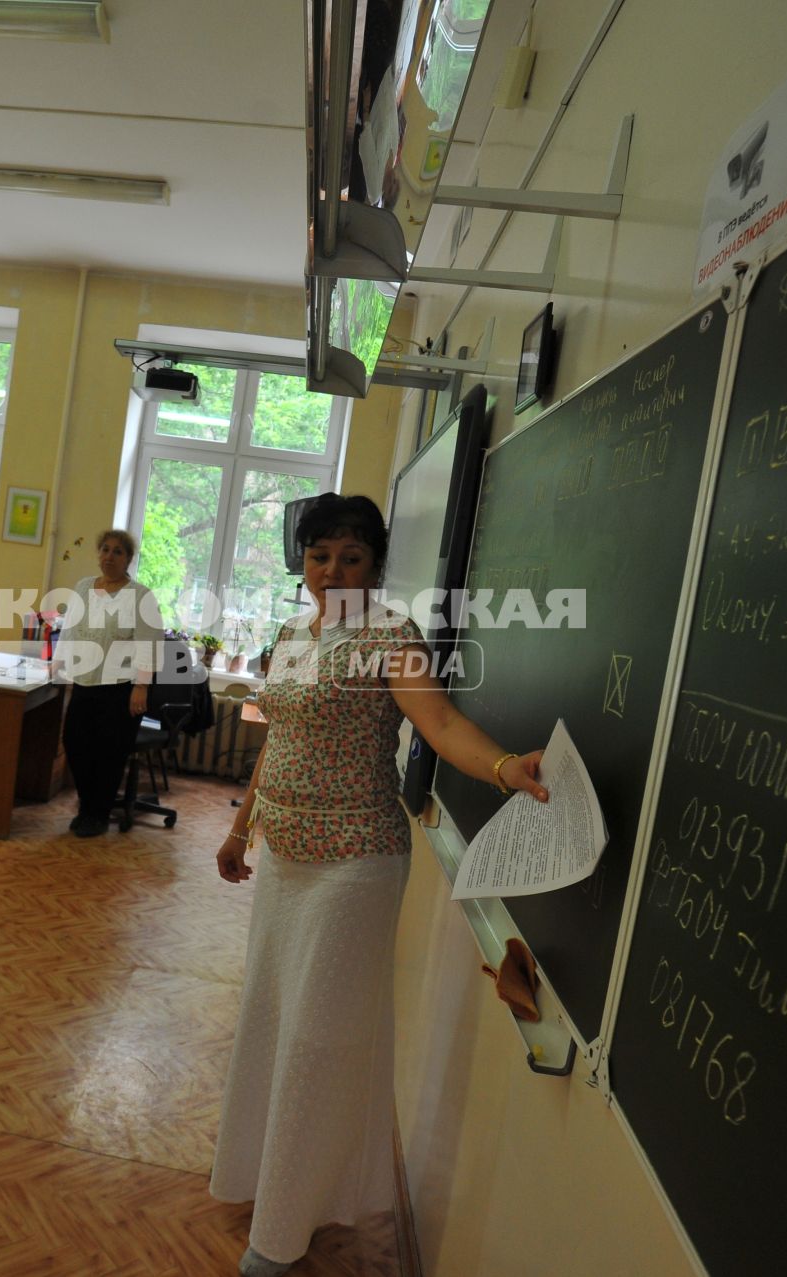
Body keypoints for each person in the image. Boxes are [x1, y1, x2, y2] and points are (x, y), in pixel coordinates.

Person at [209, 494, 550, 1277]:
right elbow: (281, 736)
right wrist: (240, 826)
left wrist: (502, 767)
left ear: (375, 564)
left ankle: (283, 1232)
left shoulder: (390, 637)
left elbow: (440, 725)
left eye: (351, 557)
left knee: (315, 1040)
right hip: (286, 858)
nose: (333, 571)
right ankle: (269, 1181)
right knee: (271, 1019)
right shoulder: (297, 632)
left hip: (354, 862)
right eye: (320, 555)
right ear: (303, 561)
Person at [52, 528, 165, 837]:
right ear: (97, 553)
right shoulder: (84, 587)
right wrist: (58, 664)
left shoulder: (140, 596)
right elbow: (70, 631)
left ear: (128, 558)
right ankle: (87, 805)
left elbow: (148, 643)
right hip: (84, 683)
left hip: (120, 689)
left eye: (117, 551)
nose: (109, 556)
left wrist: (141, 686)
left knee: (108, 753)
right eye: (105, 549)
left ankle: (97, 814)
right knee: (76, 745)